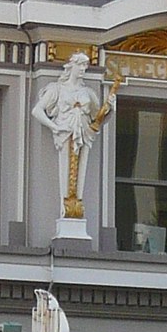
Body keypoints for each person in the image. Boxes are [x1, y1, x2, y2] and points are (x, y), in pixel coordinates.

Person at [32, 52, 117, 219]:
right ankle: (66, 208)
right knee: (66, 168)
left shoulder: (88, 93)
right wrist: (54, 126)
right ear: (71, 66)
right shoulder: (57, 89)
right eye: (80, 65)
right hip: (64, 131)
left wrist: (110, 108)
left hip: (84, 132)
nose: (83, 69)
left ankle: (76, 205)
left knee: (81, 169)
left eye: (85, 66)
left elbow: (97, 118)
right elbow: (37, 110)